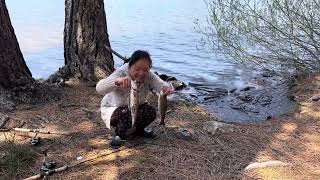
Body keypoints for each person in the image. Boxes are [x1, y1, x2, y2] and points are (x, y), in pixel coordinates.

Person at [96, 50, 174, 145]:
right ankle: (119, 135)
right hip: (114, 108)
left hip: (137, 106)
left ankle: (138, 130)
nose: (141, 73)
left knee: (151, 112)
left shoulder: (149, 75)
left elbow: (161, 84)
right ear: (129, 66)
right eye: (137, 69)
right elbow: (99, 88)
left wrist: (167, 88)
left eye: (145, 70)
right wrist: (116, 81)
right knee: (125, 115)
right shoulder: (121, 72)